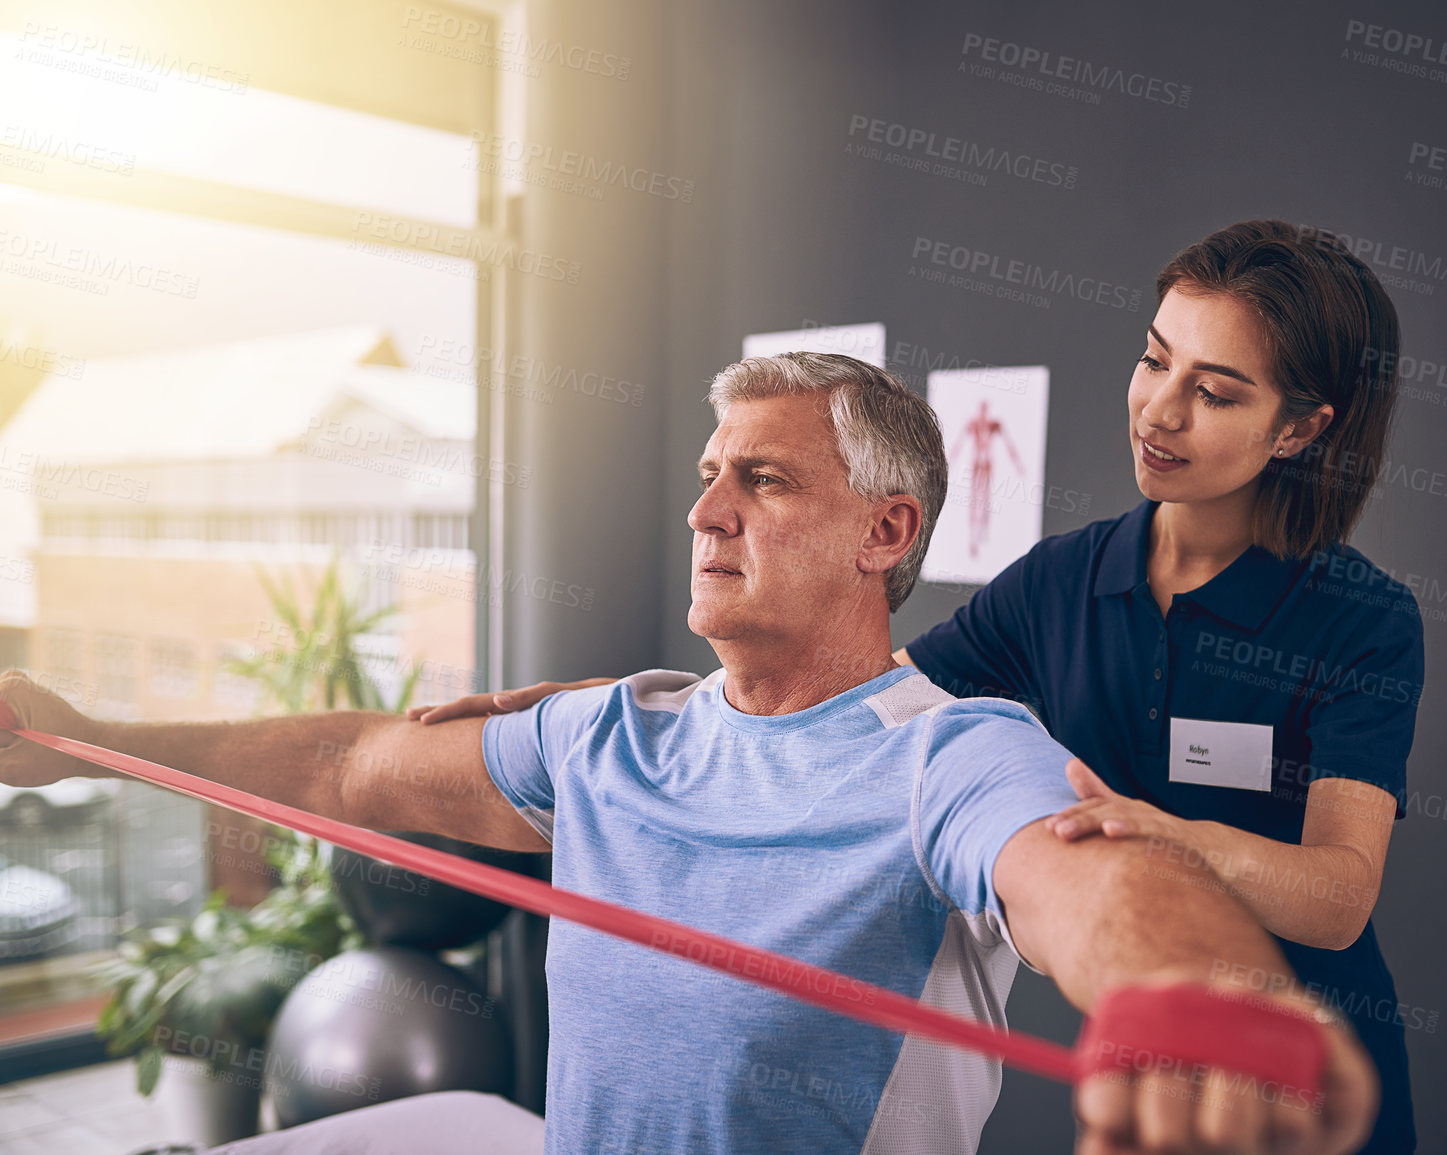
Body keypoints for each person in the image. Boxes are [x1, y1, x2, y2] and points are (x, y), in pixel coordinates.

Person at [0, 351, 1378, 1155]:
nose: (705, 508)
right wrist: (82, 741)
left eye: (763, 480)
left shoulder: (948, 755)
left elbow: (1092, 876)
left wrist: (1199, 1001)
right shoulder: (611, 730)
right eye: (711, 473)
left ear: (883, 533)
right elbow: (351, 762)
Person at [413, 220, 1425, 1153]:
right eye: (1156, 359)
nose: (1159, 410)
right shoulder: (1061, 579)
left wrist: (1144, 829)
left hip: (1310, 1080)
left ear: (1298, 430)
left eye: (1215, 391)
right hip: (1142, 1074)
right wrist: (587, 708)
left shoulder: (1360, 618)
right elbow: (844, 698)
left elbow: (1338, 896)